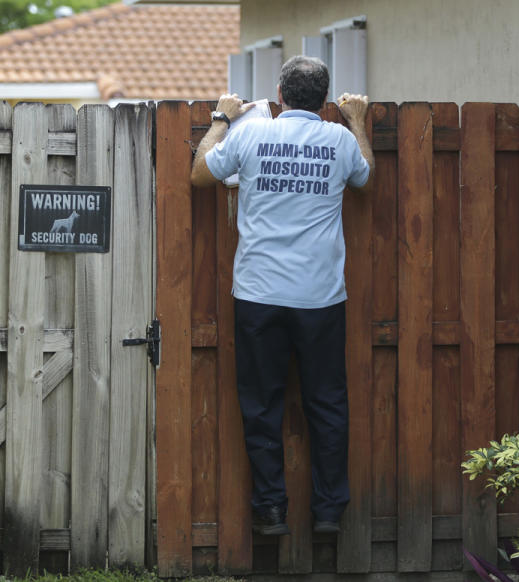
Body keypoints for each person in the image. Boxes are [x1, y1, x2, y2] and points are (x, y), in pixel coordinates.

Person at [190, 55, 375, 536]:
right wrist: (356, 121)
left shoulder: (251, 134)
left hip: (258, 294)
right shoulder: (337, 139)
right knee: (327, 405)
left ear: (279, 92)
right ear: (326, 98)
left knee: (261, 405)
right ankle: (330, 512)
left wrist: (220, 117)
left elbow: (200, 174)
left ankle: (271, 510)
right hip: (320, 297)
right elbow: (365, 178)